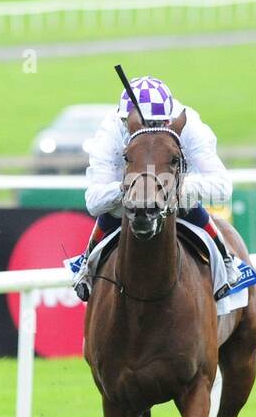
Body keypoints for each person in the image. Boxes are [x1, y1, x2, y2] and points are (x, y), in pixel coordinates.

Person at [73, 76, 238, 302]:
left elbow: (222, 187)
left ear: (168, 121)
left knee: (188, 201)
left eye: (156, 126)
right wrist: (132, 187)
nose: (149, 134)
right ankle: (87, 265)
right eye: (140, 126)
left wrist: (175, 187)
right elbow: (94, 201)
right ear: (124, 121)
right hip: (128, 205)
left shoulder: (190, 125)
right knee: (114, 209)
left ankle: (226, 261)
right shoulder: (110, 131)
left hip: (177, 200)